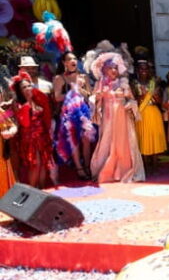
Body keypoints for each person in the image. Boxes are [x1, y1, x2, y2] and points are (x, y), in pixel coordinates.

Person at [90, 52, 145, 183]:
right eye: (110, 68)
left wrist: (129, 104)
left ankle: (123, 170)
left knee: (122, 143)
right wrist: (97, 97)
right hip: (108, 119)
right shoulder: (100, 84)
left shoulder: (123, 84)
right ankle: (106, 171)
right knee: (106, 142)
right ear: (104, 69)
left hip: (122, 119)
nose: (113, 70)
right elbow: (92, 100)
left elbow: (132, 100)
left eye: (115, 68)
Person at [53, 51, 95, 179]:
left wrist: (80, 89)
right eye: (70, 59)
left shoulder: (84, 77)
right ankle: (79, 169)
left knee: (86, 140)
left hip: (84, 112)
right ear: (64, 63)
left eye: (75, 59)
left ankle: (87, 166)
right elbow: (57, 97)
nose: (73, 61)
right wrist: (71, 91)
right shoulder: (59, 78)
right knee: (73, 139)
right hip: (69, 114)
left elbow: (90, 96)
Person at [10, 71, 54, 188]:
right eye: (24, 87)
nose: (28, 88)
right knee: (35, 165)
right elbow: (25, 123)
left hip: (42, 136)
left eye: (29, 85)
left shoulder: (37, 99)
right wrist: (26, 107)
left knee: (44, 163)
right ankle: (33, 191)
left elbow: (46, 114)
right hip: (30, 139)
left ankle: (42, 190)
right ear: (19, 91)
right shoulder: (19, 104)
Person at [132, 59, 167, 173]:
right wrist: (141, 96)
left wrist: (155, 96)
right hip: (141, 113)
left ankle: (155, 165)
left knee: (154, 138)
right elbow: (132, 100)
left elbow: (160, 101)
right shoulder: (134, 83)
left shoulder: (153, 83)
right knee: (143, 138)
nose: (144, 71)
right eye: (141, 68)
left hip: (153, 112)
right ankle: (145, 166)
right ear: (137, 70)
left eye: (146, 68)